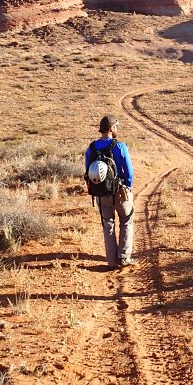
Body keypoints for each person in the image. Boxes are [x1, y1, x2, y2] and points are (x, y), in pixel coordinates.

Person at [84, 115, 136, 269]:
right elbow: (128, 171)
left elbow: (88, 171)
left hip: (101, 193)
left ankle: (112, 262)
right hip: (120, 191)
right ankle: (124, 258)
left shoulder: (91, 148)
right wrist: (127, 185)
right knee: (126, 220)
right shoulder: (120, 146)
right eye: (116, 127)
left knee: (108, 224)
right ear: (112, 128)